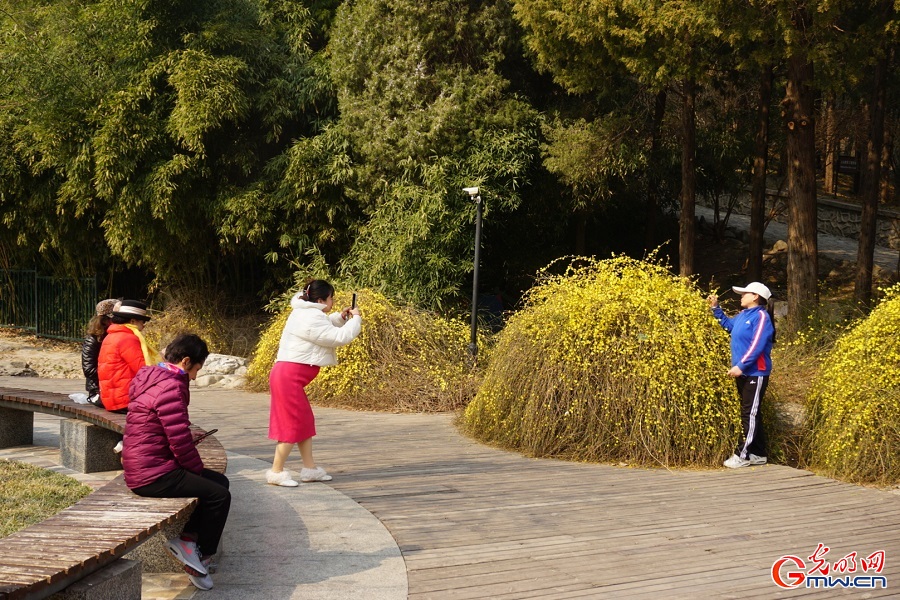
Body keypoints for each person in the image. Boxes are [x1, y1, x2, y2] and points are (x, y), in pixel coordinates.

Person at [123, 333, 230, 591]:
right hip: (152, 475)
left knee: (220, 481)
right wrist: (196, 470)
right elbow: (179, 442)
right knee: (219, 495)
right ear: (185, 361)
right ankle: (200, 555)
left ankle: (190, 540)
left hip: (145, 465)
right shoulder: (171, 385)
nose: (194, 377)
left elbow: (166, 429)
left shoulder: (153, 377)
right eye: (196, 370)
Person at [266, 280, 362, 486]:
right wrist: (355, 319)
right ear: (320, 300)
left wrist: (340, 317)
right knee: (291, 425)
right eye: (331, 298)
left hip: (287, 376)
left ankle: (310, 469)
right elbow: (338, 337)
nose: (333, 301)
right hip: (288, 378)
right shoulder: (309, 318)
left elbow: (323, 327)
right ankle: (276, 471)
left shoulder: (307, 313)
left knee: (304, 422)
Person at [707, 282, 776, 469]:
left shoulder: (761, 317)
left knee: (749, 414)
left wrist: (741, 366)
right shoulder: (744, 315)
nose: (741, 296)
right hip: (744, 372)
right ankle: (759, 453)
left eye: (745, 293)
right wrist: (716, 309)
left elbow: (758, 344)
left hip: (756, 372)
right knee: (752, 413)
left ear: (755, 296)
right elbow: (729, 327)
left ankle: (742, 455)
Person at [98, 299, 156, 413]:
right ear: (133, 321)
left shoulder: (111, 335)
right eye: (142, 322)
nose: (143, 326)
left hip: (111, 399)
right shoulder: (128, 338)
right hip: (124, 401)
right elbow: (143, 370)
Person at [81, 298, 118, 408]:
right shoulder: (93, 340)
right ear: (106, 320)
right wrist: (113, 372)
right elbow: (88, 370)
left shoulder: (117, 336)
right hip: (98, 390)